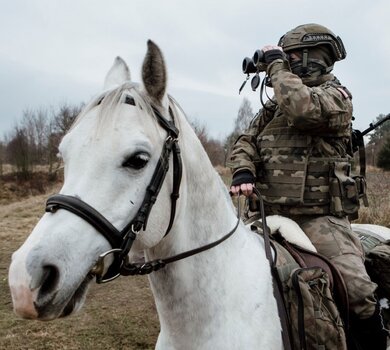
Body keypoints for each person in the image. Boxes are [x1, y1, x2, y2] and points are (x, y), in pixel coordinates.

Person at [228, 23, 387, 349]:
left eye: (289, 58)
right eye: (282, 59)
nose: (283, 65)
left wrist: (274, 64)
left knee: (358, 291)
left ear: (312, 57)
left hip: (319, 218)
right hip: (266, 211)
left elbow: (304, 110)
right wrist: (243, 171)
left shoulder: (336, 97)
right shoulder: (272, 108)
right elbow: (245, 142)